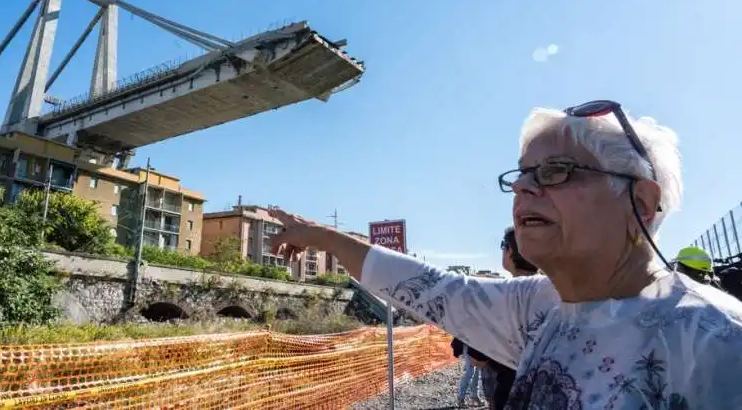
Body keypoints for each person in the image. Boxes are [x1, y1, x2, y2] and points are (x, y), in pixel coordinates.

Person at [267, 100, 742, 409]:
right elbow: (431, 288)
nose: (522, 189)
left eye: (555, 171)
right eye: (520, 175)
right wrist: (323, 237)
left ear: (639, 201)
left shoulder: (716, 342)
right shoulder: (535, 306)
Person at [468, 227, 538, 410]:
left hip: (509, 395)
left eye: (502, 246)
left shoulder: (499, 297)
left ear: (510, 251)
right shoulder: (558, 291)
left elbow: (477, 360)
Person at [451, 337, 486, 406]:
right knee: (470, 372)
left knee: (477, 372)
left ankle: (474, 396)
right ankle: (461, 398)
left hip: (478, 344)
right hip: (469, 343)